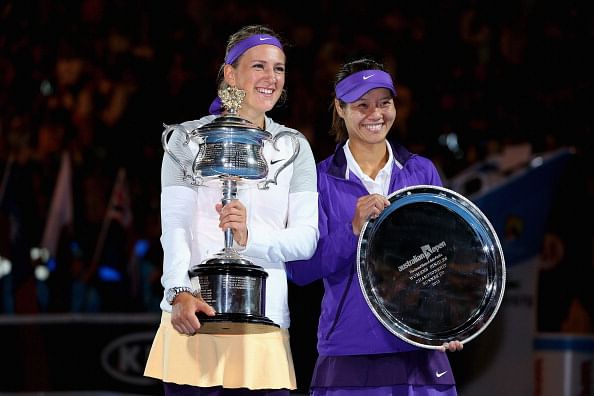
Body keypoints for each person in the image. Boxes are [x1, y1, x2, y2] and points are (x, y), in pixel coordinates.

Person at [144, 24, 319, 395]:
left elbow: (306, 241)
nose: (271, 78)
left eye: (279, 68)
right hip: (193, 314)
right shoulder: (186, 139)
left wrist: (248, 238)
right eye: (258, 66)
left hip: (264, 323)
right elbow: (174, 225)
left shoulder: (293, 147)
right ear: (229, 73)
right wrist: (177, 292)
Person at [286, 58, 463, 396]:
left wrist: (450, 319)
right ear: (340, 108)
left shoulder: (421, 172)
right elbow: (301, 269)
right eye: (361, 105)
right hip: (350, 351)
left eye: (384, 103)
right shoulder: (318, 181)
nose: (375, 114)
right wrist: (353, 229)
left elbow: (447, 257)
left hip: (418, 349)